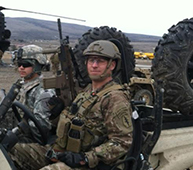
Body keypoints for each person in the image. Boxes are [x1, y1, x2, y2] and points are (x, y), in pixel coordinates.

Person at [11, 40, 133, 170]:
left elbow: (123, 142)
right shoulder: (85, 94)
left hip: (88, 164)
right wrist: (56, 114)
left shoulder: (115, 98)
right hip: (61, 153)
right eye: (91, 61)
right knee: (8, 149)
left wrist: (85, 158)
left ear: (112, 65)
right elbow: (70, 123)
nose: (94, 65)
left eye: (100, 61)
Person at [9, 45, 63, 168]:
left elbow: (40, 129)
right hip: (19, 133)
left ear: (37, 65)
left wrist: (20, 129)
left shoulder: (43, 91)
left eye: (26, 64)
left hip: (35, 142)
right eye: (19, 64)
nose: (21, 67)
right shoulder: (21, 85)